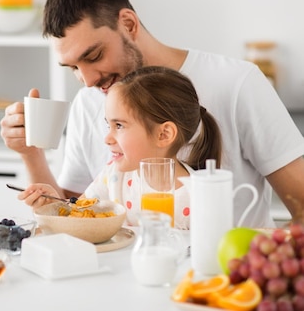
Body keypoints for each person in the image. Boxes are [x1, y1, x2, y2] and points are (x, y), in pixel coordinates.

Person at [1, 0, 304, 228]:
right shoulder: (88, 102)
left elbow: (301, 207)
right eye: (73, 69)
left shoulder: (237, 83)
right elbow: (75, 213)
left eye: (94, 56)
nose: (88, 80)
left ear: (129, 24)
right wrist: (31, 154)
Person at [18, 66, 223, 230]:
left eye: (119, 126)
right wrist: (52, 206)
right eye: (109, 125)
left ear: (164, 134)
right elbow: (77, 217)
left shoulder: (198, 197)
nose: (107, 138)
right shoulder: (113, 177)